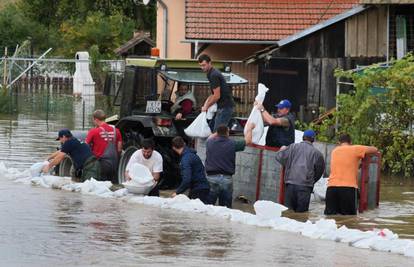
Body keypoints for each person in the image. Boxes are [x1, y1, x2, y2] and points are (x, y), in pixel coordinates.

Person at [324, 134, 378, 215]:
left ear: (339, 142)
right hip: (348, 189)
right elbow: (374, 149)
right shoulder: (355, 149)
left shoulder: (334, 151)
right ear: (350, 142)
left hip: (331, 188)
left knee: (331, 219)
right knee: (349, 220)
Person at [205, 123, 254, 208]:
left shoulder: (209, 142)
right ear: (227, 133)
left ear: (217, 133)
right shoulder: (232, 143)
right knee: (225, 208)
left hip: (211, 177)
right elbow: (248, 140)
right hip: (226, 178)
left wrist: (218, 131)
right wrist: (250, 128)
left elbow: (210, 137)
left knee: (208, 207)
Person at [275, 130, 325, 212]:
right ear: (313, 139)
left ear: (303, 138)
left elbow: (279, 157)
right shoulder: (317, 154)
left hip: (290, 186)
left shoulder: (292, 147)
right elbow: (319, 171)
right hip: (305, 188)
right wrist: (311, 181)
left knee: (288, 214)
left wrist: (281, 149)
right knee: (301, 216)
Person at [198, 54, 234, 132]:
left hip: (225, 107)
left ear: (210, 63)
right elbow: (213, 94)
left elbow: (217, 96)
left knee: (217, 133)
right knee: (212, 129)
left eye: (204, 65)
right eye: (200, 66)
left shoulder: (214, 75)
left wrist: (206, 107)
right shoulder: (211, 73)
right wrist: (206, 104)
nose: (202, 68)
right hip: (222, 107)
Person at [85, 109, 123, 183]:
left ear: (95, 119)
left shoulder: (93, 131)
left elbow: (85, 147)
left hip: (101, 164)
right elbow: (119, 149)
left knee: (100, 188)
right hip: (114, 164)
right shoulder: (116, 130)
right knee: (111, 187)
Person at [171, 136, 210, 204]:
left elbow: (187, 179)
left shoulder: (186, 159)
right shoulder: (192, 154)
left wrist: (177, 192)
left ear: (173, 148)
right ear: (184, 144)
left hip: (198, 189)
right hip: (202, 187)